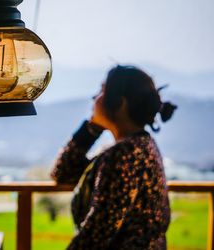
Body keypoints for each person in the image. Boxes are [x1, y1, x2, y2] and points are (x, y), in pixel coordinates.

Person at [51, 65, 177, 249]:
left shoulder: (123, 156)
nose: (95, 98)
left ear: (120, 103)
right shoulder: (139, 146)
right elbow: (63, 172)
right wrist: (93, 126)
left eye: (102, 91)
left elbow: (96, 236)